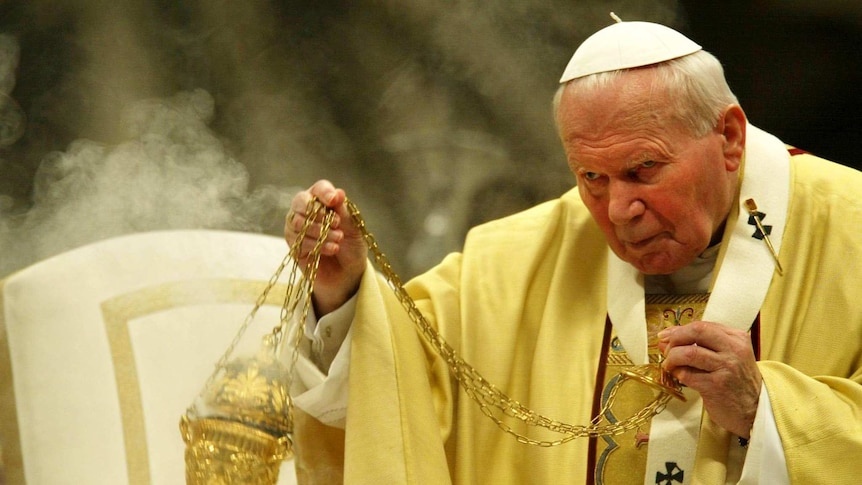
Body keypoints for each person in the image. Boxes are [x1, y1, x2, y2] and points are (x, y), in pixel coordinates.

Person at [283, 17, 862, 484]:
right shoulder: (515, 261)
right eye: (592, 177)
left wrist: (769, 408)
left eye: (643, 169)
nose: (617, 211)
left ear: (729, 138)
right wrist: (341, 289)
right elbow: (402, 381)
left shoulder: (850, 225)